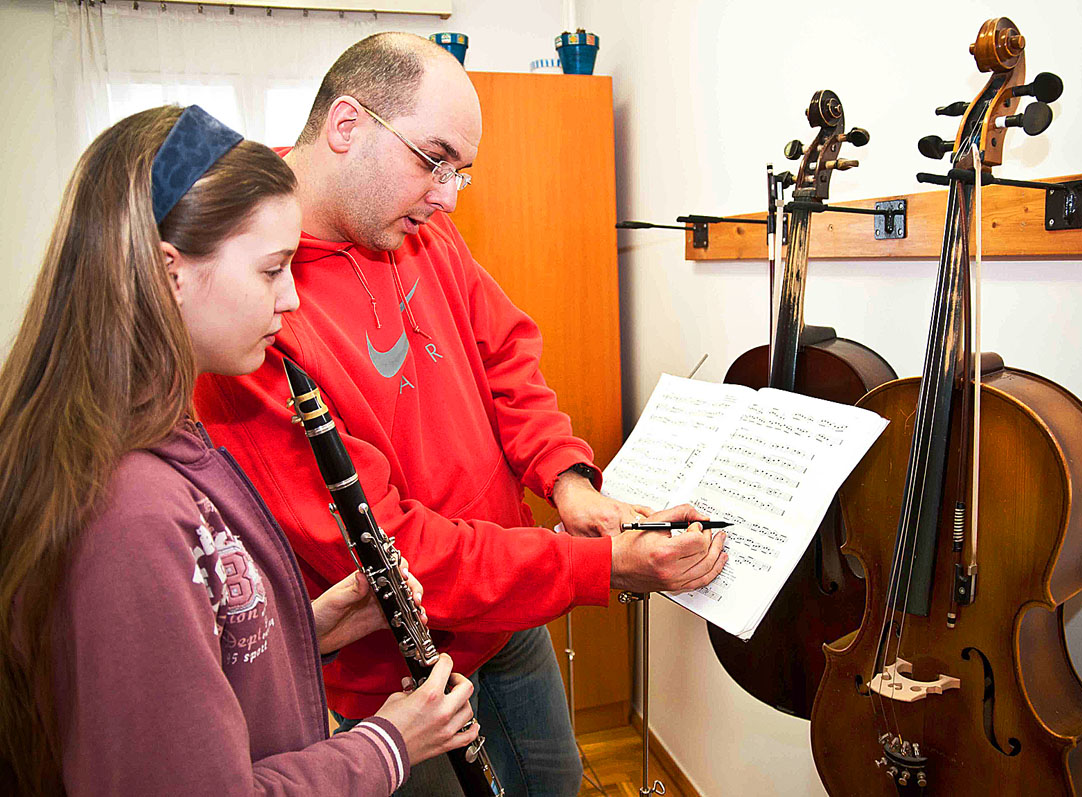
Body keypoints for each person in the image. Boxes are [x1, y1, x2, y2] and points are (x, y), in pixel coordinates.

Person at [193, 32, 728, 796]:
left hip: (507, 606)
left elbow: (506, 352)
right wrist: (599, 564)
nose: (447, 196)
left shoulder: (417, 227)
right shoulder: (252, 318)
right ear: (347, 127)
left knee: (556, 780)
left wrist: (567, 477)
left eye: (460, 173)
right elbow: (399, 547)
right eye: (434, 160)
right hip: (390, 678)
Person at [0, 105, 479, 795]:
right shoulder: (128, 512)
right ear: (170, 273)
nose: (290, 300)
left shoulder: (159, 434)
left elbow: (181, 671)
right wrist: (390, 741)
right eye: (272, 269)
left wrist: (311, 626)